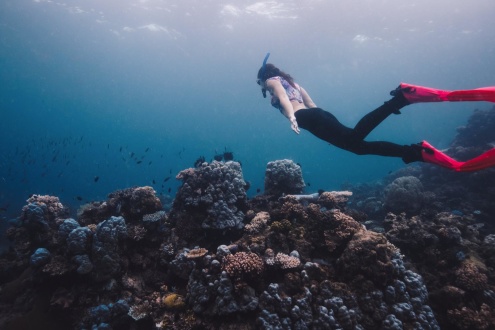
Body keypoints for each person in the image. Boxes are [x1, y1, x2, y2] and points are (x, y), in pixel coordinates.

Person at [256, 53, 495, 172]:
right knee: (358, 146)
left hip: (307, 119)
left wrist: (291, 118)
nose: (262, 88)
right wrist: (314, 118)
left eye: (260, 83)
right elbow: (311, 103)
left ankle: (400, 100)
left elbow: (286, 99)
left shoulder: (271, 82)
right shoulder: (292, 82)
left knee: (355, 139)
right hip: (318, 115)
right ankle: (414, 151)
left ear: (263, 77)